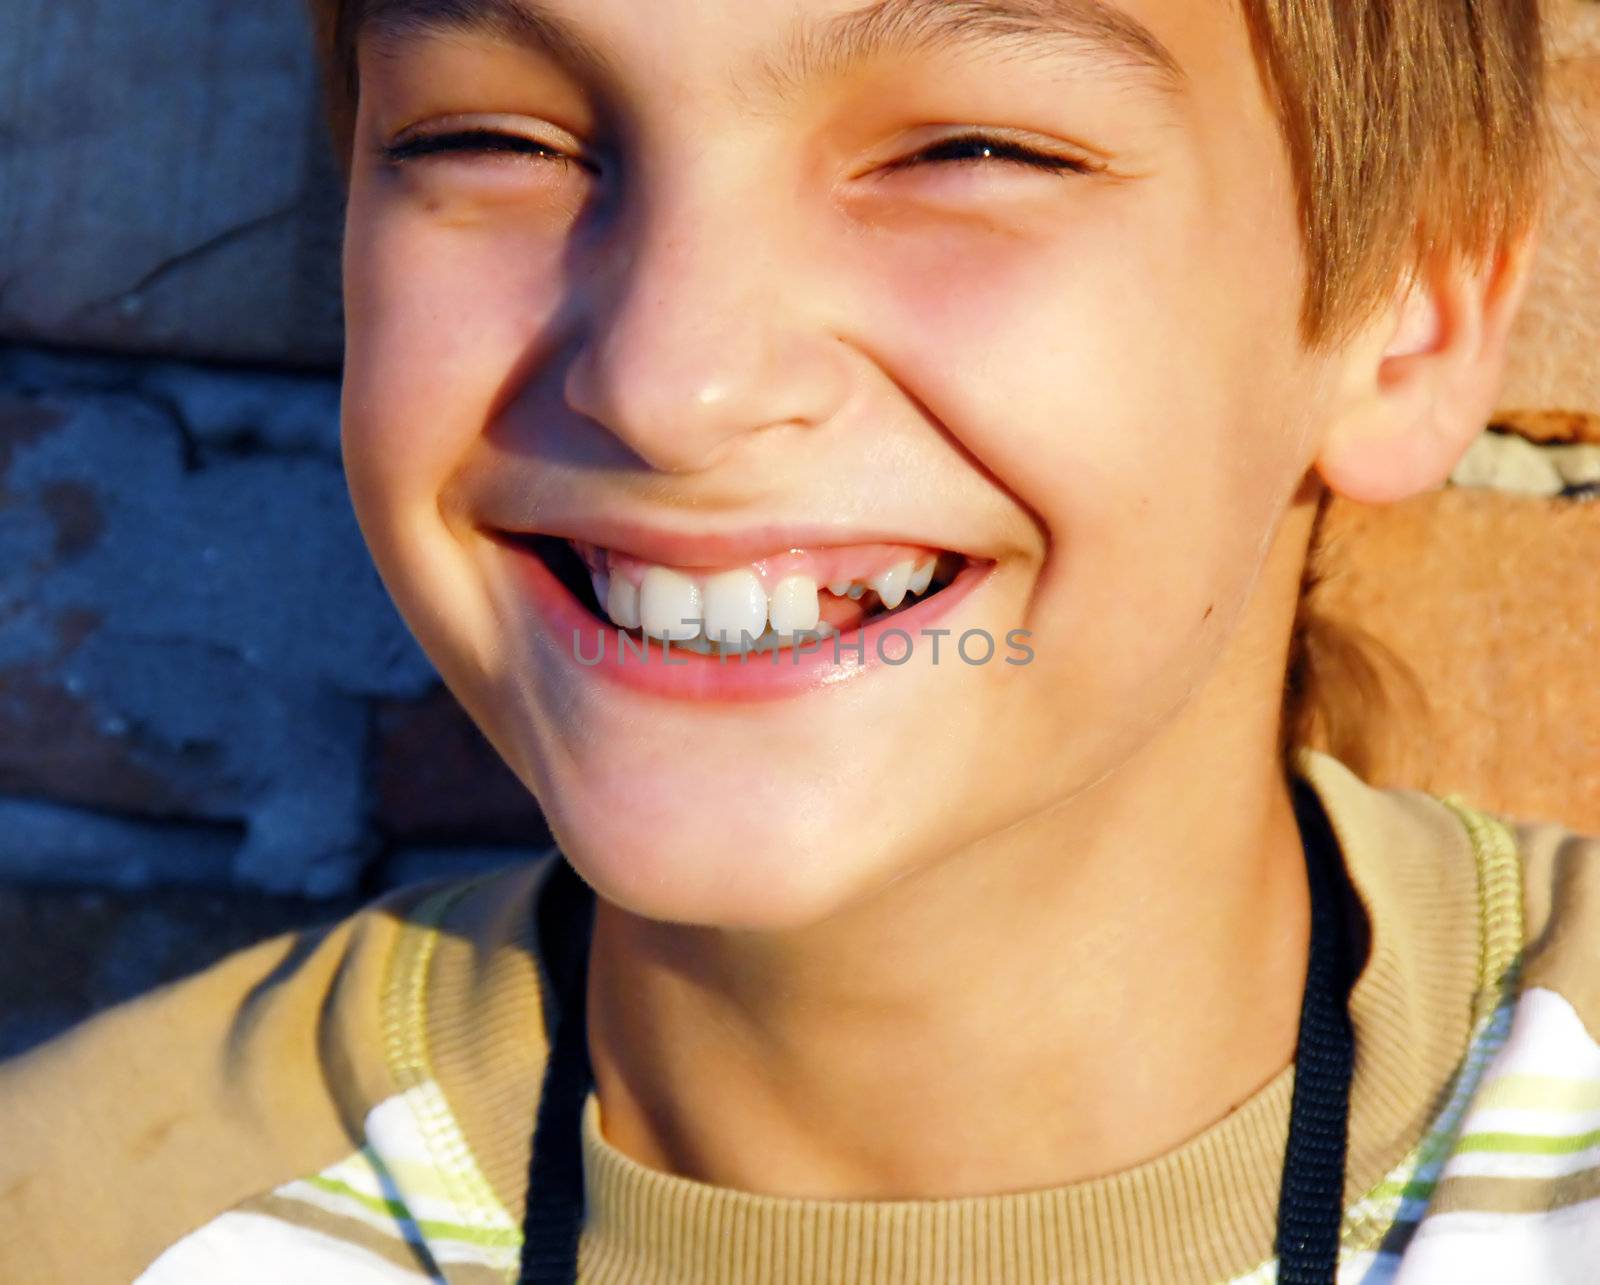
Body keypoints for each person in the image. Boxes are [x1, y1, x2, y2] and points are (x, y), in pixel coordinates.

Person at [3, 0, 1596, 1281]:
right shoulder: (91, 1225)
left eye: (967, 149)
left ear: (1413, 308)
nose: (668, 382)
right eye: (492, 134)